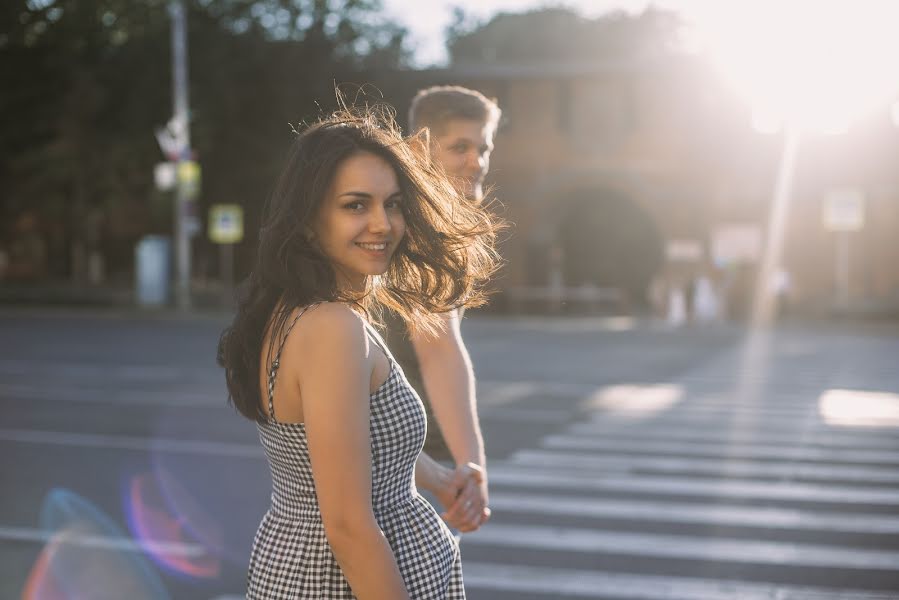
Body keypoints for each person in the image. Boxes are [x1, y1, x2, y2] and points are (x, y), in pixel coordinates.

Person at [217, 106, 499, 598]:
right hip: (339, 582)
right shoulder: (333, 327)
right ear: (308, 221)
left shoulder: (302, 309)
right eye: (355, 205)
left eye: (392, 204)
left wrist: (442, 478)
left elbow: (347, 445)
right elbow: (348, 527)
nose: (382, 224)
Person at [379, 86, 501, 533]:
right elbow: (439, 351)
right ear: (419, 149)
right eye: (460, 147)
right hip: (398, 461)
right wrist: (464, 472)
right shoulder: (408, 227)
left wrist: (469, 468)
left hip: (409, 456)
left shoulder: (422, 221)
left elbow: (441, 348)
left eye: (483, 147)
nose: (477, 160)